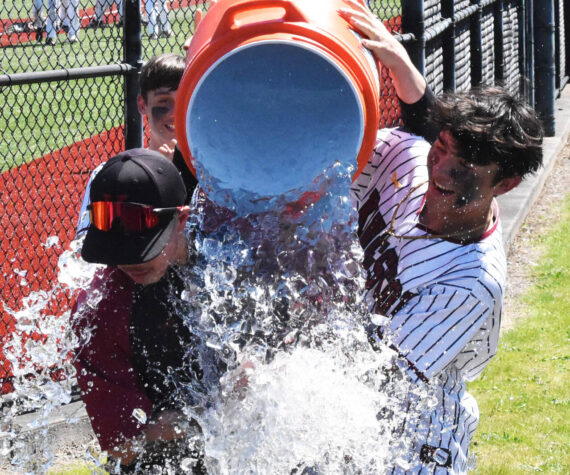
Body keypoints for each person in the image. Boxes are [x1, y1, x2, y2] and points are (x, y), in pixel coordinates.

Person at [338, 1, 544, 472]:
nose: (444, 168)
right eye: (444, 147)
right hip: (351, 427)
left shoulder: (472, 281)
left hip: (411, 446)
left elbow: (375, 375)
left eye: (467, 166)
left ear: (506, 185)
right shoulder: (405, 157)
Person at [71, 149, 209, 473]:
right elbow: (123, 446)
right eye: (115, 250)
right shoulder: (99, 313)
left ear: (183, 219)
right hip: (162, 460)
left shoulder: (228, 258)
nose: (128, 261)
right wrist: (199, 415)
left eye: (142, 248)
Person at [76, 53, 196, 237]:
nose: (175, 112)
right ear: (142, 104)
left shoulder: (210, 175)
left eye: (184, 101)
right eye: (164, 101)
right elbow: (86, 245)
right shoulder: (114, 176)